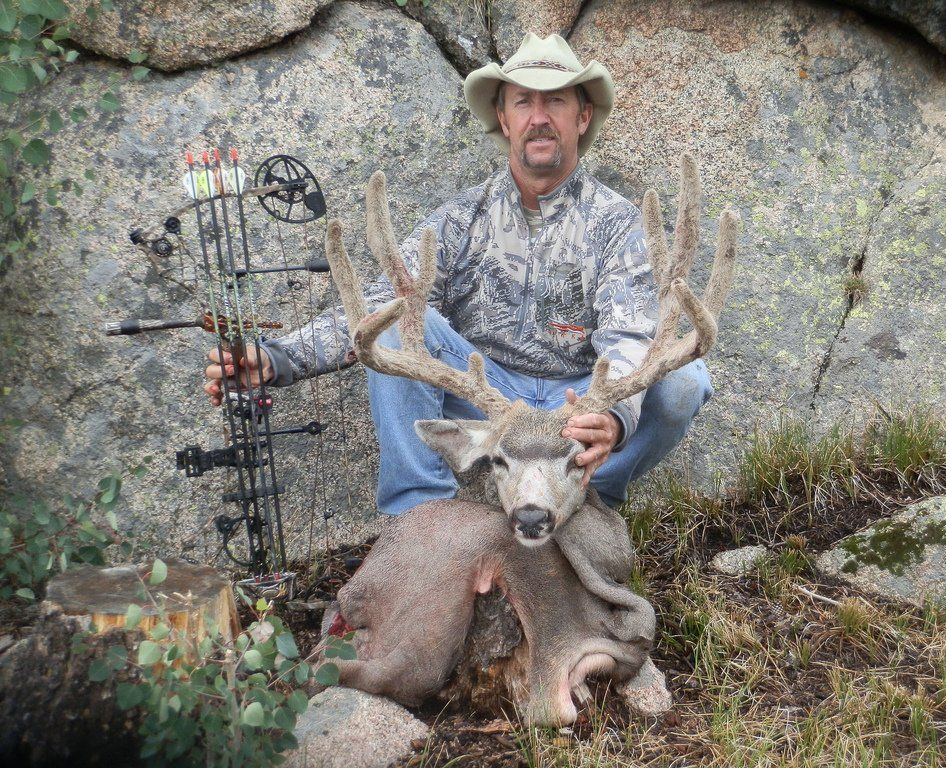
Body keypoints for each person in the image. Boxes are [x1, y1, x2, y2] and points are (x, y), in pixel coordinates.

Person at [203, 33, 713, 514]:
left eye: (556, 101)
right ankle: (423, 518)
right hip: (490, 405)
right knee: (401, 320)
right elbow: (379, 306)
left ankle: (587, 498)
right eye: (523, 102)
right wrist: (278, 358)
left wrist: (612, 418)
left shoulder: (618, 223)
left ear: (581, 117)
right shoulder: (460, 219)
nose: (539, 118)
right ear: (504, 119)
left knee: (683, 380)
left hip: (576, 407)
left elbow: (630, 336)